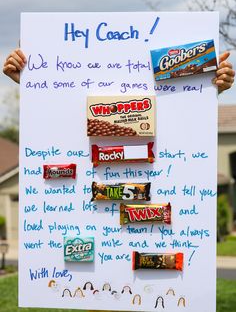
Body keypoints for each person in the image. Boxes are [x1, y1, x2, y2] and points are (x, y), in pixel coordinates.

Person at [2, 48, 235, 312]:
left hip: (166, 283)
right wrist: (33, 83)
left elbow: (182, 117)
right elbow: (60, 119)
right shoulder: (83, 141)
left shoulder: (165, 113)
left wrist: (209, 85)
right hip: (100, 287)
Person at [3, 48, 235, 91]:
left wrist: (212, 85)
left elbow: (182, 114)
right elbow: (66, 98)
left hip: (168, 182)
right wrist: (29, 80)